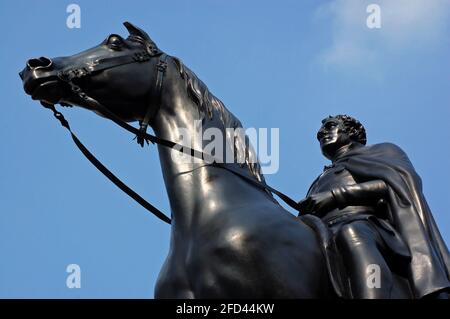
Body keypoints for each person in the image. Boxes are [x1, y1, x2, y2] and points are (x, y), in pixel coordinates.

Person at [298, 114, 450, 298]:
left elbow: (400, 183)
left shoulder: (384, 151)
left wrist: (335, 196)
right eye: (320, 132)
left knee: (352, 232)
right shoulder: (319, 179)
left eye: (330, 126)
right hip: (324, 232)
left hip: (371, 228)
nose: (322, 133)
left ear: (351, 131)